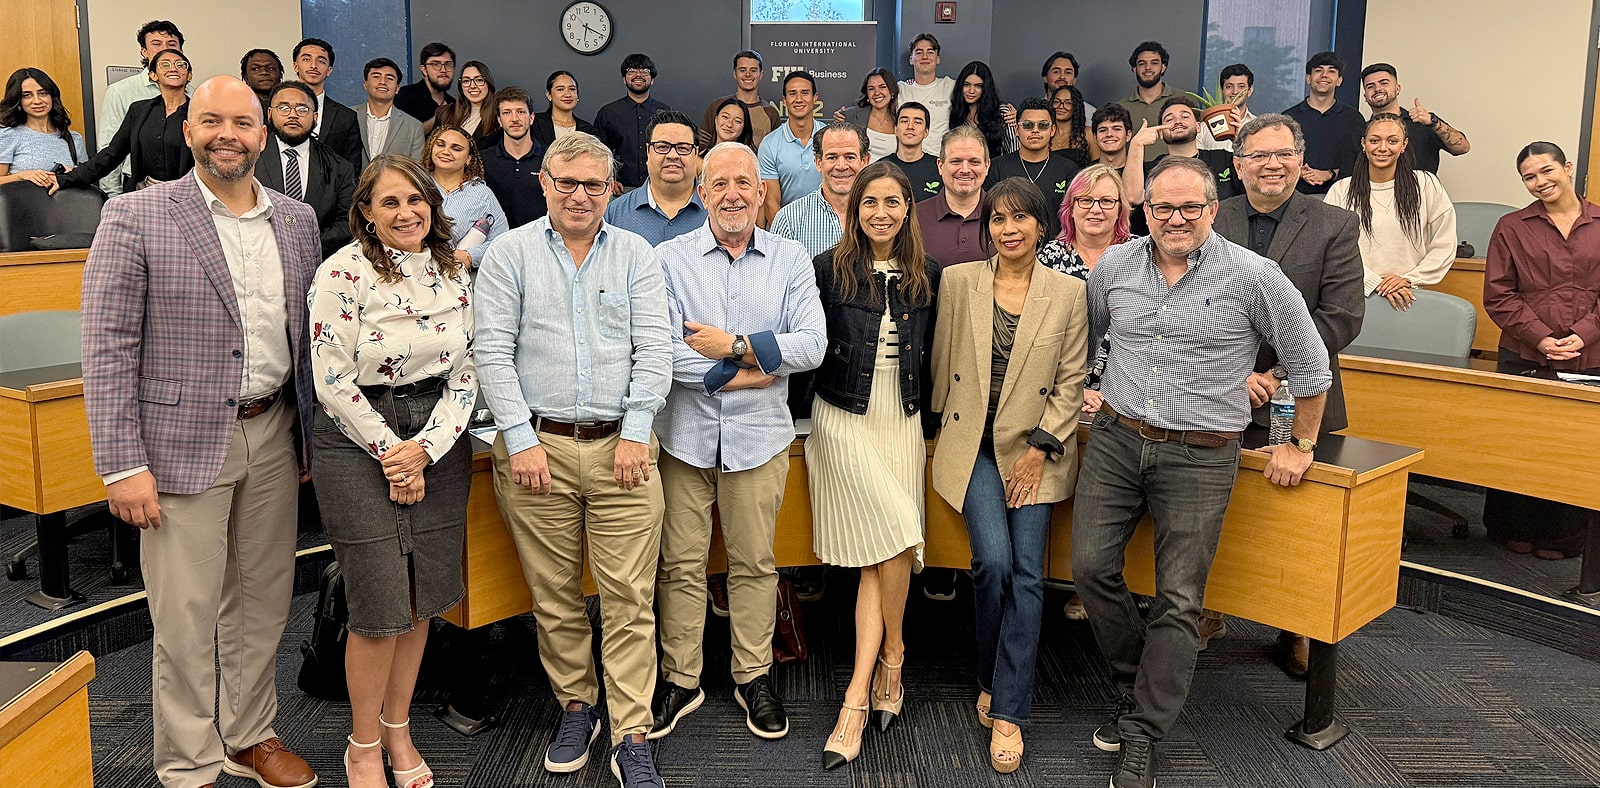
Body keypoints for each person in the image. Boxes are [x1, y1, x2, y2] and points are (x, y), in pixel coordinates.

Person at [81, 75, 322, 788]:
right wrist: (122, 464)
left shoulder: (298, 219)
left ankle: (248, 736)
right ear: (188, 131)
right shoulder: (135, 215)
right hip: (178, 444)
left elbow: (305, 335)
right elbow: (108, 346)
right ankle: (187, 765)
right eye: (211, 120)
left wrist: (309, 437)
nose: (228, 134)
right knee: (185, 618)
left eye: (243, 123)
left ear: (264, 134)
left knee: (263, 599)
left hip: (274, 431)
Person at [1074, 156, 1332, 788]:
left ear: (1214, 210)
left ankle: (1144, 729)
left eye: (1191, 208)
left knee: (1180, 598)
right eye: (1163, 208)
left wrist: (1296, 440)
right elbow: (1095, 334)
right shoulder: (1115, 266)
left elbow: (1310, 362)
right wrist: (1098, 385)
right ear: (1146, 210)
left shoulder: (1256, 276)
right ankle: (1141, 680)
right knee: (1088, 569)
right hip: (1116, 440)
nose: (1177, 219)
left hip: (1201, 452)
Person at [474, 131, 672, 787]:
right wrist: (520, 437)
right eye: (568, 182)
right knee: (554, 597)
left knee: (629, 598)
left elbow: (656, 351)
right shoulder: (509, 254)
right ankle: (577, 707)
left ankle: (632, 731)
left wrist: (639, 430)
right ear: (545, 184)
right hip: (538, 452)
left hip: (626, 451)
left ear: (611, 188)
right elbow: (493, 354)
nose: (580, 195)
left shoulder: (637, 255)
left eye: (594, 184)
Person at [307, 152, 476, 788]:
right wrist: (392, 451)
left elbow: (469, 370)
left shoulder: (454, 270)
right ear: (366, 215)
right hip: (357, 436)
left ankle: (399, 730)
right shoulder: (340, 272)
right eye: (389, 203)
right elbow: (330, 379)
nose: (406, 212)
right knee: (378, 602)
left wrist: (424, 450)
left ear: (432, 205)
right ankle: (362, 743)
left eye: (416, 200)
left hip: (438, 436)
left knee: (421, 596)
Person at [648, 141, 825, 746]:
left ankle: (754, 675)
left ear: (761, 191)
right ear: (701, 193)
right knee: (681, 565)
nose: (731, 194)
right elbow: (663, 354)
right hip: (685, 440)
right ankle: (681, 677)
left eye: (742, 183)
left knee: (755, 564)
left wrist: (728, 346)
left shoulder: (792, 259)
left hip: (759, 439)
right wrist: (754, 365)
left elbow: (811, 347)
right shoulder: (668, 260)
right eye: (718, 183)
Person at [930, 176, 1088, 775]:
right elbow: (942, 361)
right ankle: (988, 674)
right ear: (986, 227)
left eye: (1022, 217)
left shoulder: (1069, 293)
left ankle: (1011, 710)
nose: (1009, 228)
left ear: (1042, 226)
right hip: (971, 446)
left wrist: (1039, 450)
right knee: (991, 563)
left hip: (1035, 452)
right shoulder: (958, 282)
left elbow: (1071, 380)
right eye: (999, 218)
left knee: (1027, 573)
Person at [1214, 114, 1365, 675]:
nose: (1270, 165)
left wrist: (1278, 373)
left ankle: (1297, 627)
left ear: (1301, 163)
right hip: (1216, 392)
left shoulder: (1334, 224)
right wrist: (1234, 371)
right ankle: (1210, 609)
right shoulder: (1212, 215)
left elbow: (1343, 317)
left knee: (1299, 525)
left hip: (1300, 396)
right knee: (1216, 512)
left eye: (1282, 155)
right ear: (1238, 164)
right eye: (1257, 155)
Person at [806, 160, 940, 768]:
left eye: (893, 202)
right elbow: (804, 349)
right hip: (844, 420)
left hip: (903, 421)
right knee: (896, 534)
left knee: (879, 558)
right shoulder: (826, 272)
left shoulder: (928, 276)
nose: (880, 213)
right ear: (853, 210)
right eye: (869, 202)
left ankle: (881, 672)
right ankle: (873, 680)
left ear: (908, 209)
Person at [1481, 141, 1599, 560]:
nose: (1540, 182)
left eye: (1547, 171)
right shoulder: (1511, 227)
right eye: (1529, 177)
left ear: (1567, 168)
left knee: (1572, 444)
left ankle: (1564, 536)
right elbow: (1497, 294)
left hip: (1593, 353)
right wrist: (1541, 337)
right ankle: (1512, 526)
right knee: (1518, 439)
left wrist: (1585, 333)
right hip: (1525, 350)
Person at [1325, 114, 1457, 310]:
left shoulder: (1426, 184)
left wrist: (1408, 279)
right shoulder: (1341, 190)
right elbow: (1331, 249)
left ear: (1404, 145)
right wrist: (1373, 282)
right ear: (1364, 144)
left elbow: (1444, 243)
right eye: (1374, 140)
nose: (1383, 148)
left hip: (1411, 295)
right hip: (1355, 296)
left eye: (1392, 141)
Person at [59, 49, 193, 192]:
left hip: (188, 195)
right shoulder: (139, 110)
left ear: (189, 75)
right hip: (144, 194)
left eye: (180, 65)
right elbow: (111, 154)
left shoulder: (200, 113)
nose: (173, 68)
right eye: (165, 65)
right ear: (153, 75)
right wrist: (66, 179)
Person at [254, 81, 356, 257]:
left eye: (302, 109)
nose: (293, 115)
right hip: (259, 257)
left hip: (317, 261)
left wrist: (309, 244)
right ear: (270, 114)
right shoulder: (250, 159)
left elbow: (348, 222)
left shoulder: (339, 167)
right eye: (284, 108)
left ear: (315, 117)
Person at [97, 20, 187, 196]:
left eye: (171, 44)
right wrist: (112, 196)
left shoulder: (195, 95)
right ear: (144, 52)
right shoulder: (120, 91)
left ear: (181, 52)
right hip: (136, 186)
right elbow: (109, 148)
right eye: (156, 44)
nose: (164, 49)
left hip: (183, 189)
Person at [605, 110, 706, 245]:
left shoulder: (715, 210)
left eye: (683, 148)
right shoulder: (615, 213)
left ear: (696, 153)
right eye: (663, 147)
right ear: (648, 152)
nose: (672, 155)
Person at [986, 97, 1080, 239]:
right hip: (1009, 245)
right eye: (1028, 125)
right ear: (1017, 129)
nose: (1035, 130)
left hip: (1056, 250)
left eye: (1043, 125)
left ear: (1053, 130)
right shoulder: (997, 168)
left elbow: (1075, 217)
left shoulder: (1069, 169)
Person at [768, 123, 868, 258]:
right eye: (832, 157)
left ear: (864, 161)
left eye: (850, 157)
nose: (841, 166)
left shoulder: (882, 217)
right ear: (818, 162)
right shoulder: (789, 220)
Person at [1123, 95, 1240, 204]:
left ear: (1198, 127)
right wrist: (1136, 144)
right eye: (1169, 119)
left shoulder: (1224, 159)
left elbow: (1253, 188)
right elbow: (1133, 197)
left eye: (1185, 117)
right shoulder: (1152, 169)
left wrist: (1241, 141)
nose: (1178, 122)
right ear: (1161, 133)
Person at [422, 125, 508, 271]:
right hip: (411, 272)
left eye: (456, 148)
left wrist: (470, 256)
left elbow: (501, 241)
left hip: (457, 278)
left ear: (469, 159)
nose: (446, 151)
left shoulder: (482, 194)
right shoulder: (415, 184)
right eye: (440, 144)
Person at [1359, 63, 1469, 174]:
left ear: (1398, 89)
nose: (1378, 89)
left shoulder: (1425, 122)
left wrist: (1433, 122)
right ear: (1365, 96)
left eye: (1384, 83)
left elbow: (1462, 148)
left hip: (1422, 190)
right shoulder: (1360, 130)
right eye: (1370, 86)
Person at [1285, 51, 1365, 195]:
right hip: (1294, 196)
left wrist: (1330, 173)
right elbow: (1280, 156)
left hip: (1340, 196)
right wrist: (1298, 170)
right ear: (1308, 78)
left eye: (1331, 71)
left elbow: (1359, 162)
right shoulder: (1288, 118)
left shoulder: (1354, 119)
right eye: (1318, 70)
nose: (1324, 75)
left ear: (1339, 80)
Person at [915, 126, 994, 268]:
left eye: (974, 162)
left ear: (987, 166)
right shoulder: (915, 217)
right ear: (940, 166)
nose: (964, 170)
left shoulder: (1003, 215)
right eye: (955, 161)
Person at [0, 68, 88, 190]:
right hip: (24, 207)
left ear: (52, 96)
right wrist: (22, 176)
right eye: (27, 95)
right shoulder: (7, 135)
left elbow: (88, 181)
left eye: (43, 93)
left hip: (67, 206)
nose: (37, 101)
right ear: (18, 100)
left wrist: (72, 174)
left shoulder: (73, 138)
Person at [595, 53, 671, 190]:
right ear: (624, 79)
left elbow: (673, 149)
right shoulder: (608, 113)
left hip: (659, 187)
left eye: (644, 71)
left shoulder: (666, 113)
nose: (638, 75)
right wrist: (608, 178)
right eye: (631, 71)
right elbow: (598, 152)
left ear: (652, 79)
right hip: (620, 188)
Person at [758, 71, 826, 222]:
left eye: (805, 93)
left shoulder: (830, 139)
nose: (799, 99)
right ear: (784, 100)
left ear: (815, 98)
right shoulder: (769, 145)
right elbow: (771, 203)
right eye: (792, 93)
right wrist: (787, 241)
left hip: (826, 226)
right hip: (787, 230)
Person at [290, 38, 362, 170]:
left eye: (321, 61)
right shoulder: (276, 109)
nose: (313, 65)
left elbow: (352, 168)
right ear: (295, 66)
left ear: (329, 70)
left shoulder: (346, 117)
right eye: (306, 59)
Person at [482, 86, 547, 228]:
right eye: (507, 113)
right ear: (499, 120)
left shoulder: (550, 159)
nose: (514, 119)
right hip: (496, 244)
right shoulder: (483, 160)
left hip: (541, 242)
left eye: (520, 112)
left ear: (531, 118)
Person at [700, 50, 780, 149]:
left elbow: (775, 154)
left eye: (753, 70)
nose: (748, 74)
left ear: (761, 74)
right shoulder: (717, 106)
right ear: (735, 73)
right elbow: (702, 147)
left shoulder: (771, 113)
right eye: (742, 70)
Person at [354, 58, 426, 166]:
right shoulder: (347, 116)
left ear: (397, 88)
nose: (382, 82)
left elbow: (416, 169)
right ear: (365, 84)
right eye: (376, 76)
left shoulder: (413, 127)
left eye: (389, 78)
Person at [1115, 42, 1177, 161]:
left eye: (1154, 63)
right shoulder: (1120, 107)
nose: (1148, 68)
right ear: (1134, 69)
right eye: (1142, 63)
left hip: (1175, 172)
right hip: (1133, 174)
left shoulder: (1184, 102)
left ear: (1163, 67)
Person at [897, 34, 955, 156]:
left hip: (940, 160)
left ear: (937, 58)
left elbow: (982, 97)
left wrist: (1005, 110)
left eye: (930, 52)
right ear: (911, 59)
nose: (925, 57)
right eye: (919, 52)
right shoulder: (900, 89)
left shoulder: (949, 86)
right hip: (907, 159)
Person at [949, 61, 1016, 160]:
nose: (971, 91)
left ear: (986, 88)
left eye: (978, 86)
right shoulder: (956, 114)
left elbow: (1014, 150)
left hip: (999, 172)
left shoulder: (1002, 113)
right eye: (966, 85)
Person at [833, 68, 898, 161]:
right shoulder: (852, 116)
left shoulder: (901, 120)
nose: (877, 93)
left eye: (882, 87)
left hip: (890, 174)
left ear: (891, 91)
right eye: (871, 89)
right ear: (867, 94)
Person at [431, 61, 499, 144]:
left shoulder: (499, 118)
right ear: (461, 87)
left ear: (488, 84)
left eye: (479, 80)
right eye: (466, 81)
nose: (472, 86)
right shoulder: (445, 114)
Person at [885, 102, 941, 202]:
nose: (910, 126)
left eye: (918, 122)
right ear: (896, 130)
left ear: (926, 132)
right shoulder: (881, 167)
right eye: (904, 121)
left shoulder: (940, 168)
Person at [1196, 64, 1255, 152]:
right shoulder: (1204, 128)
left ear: (1249, 91)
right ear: (1221, 91)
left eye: (1241, 87)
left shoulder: (1257, 126)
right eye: (1229, 86)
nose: (1235, 91)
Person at [533, 70, 599, 147]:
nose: (567, 94)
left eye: (572, 89)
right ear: (549, 95)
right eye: (560, 89)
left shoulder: (588, 130)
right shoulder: (534, 124)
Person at [395, 42, 454, 123]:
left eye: (448, 64)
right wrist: (437, 118)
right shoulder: (404, 96)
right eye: (436, 64)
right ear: (424, 70)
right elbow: (403, 134)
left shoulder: (454, 104)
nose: (443, 70)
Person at [1040, 51, 1096, 120]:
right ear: (1045, 78)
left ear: (1074, 80)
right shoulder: (1032, 112)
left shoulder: (1089, 113)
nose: (1062, 76)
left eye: (1068, 72)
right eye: (1056, 72)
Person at [1048, 85, 1094, 168]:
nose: (1061, 106)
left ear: (1076, 107)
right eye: (1057, 102)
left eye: (1068, 103)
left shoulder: (1088, 134)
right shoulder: (1045, 134)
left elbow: (1099, 168)